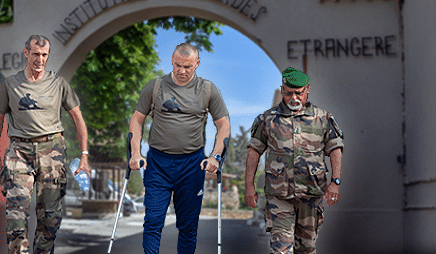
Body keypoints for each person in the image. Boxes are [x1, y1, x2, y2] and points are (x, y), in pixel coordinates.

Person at [0, 35, 92, 254]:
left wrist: (84, 156)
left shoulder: (58, 83)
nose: (40, 59)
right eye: (36, 54)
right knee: (16, 217)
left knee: (50, 219)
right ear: (26, 53)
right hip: (19, 152)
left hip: (52, 152)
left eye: (44, 55)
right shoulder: (11, 84)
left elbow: (78, 118)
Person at [128, 43, 230, 254]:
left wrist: (215, 156)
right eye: (177, 65)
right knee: (153, 221)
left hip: (192, 165)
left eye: (188, 67)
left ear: (197, 64)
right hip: (158, 163)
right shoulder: (155, 87)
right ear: (172, 61)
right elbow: (137, 120)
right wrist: (136, 153)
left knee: (188, 225)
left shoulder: (208, 89)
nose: (182, 71)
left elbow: (223, 124)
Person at [243, 67, 344, 254]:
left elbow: (335, 149)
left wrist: (335, 182)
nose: (294, 98)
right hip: (279, 195)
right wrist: (249, 186)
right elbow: (254, 152)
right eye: (289, 93)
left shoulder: (322, 119)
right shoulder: (267, 119)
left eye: (299, 93)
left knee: (306, 249)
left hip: (311, 195)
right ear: (282, 90)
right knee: (280, 249)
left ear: (307, 89)